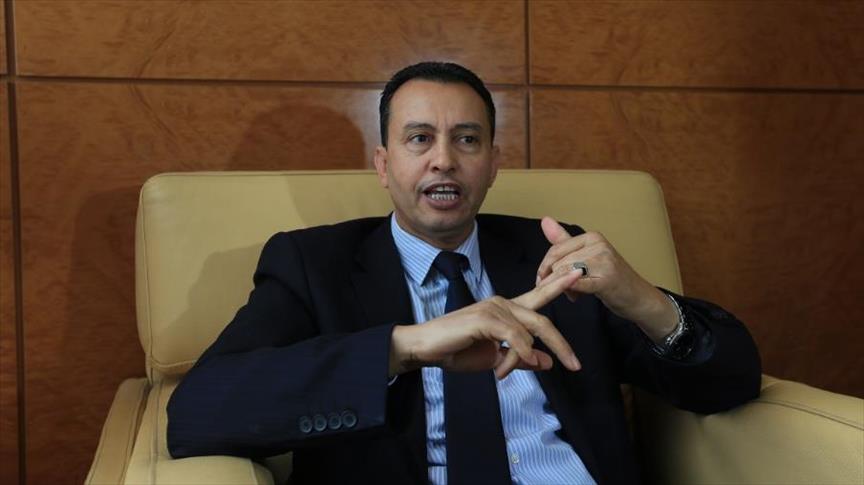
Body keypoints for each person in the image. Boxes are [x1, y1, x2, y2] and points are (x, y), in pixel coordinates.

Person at [167, 62, 761, 484]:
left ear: (493, 163)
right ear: (383, 165)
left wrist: (642, 300)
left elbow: (732, 383)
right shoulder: (314, 264)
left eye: (467, 140)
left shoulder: (552, 253)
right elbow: (198, 412)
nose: (444, 160)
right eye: (419, 139)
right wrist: (404, 347)